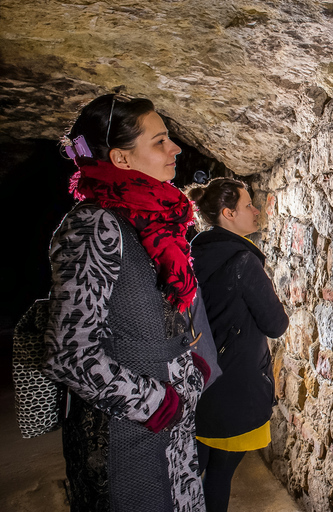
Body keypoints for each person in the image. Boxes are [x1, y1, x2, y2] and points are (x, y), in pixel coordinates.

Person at [44, 93, 211, 511]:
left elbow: (147, 313)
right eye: (159, 141)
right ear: (120, 159)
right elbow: (70, 354)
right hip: (126, 435)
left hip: (166, 427)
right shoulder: (95, 225)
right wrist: (157, 402)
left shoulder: (150, 218)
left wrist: (185, 362)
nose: (175, 149)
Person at [187, 178, 289, 512]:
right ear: (228, 214)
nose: (256, 211)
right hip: (234, 387)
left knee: (192, 471)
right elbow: (276, 324)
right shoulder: (243, 261)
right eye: (248, 205)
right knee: (219, 474)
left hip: (197, 383)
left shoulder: (190, 255)